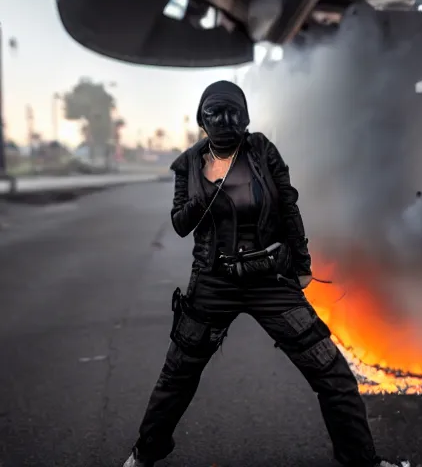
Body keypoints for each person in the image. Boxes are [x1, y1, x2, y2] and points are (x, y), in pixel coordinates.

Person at [123, 81, 407, 467]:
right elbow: (179, 224)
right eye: (214, 113)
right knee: (177, 375)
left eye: (232, 112)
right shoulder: (188, 164)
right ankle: (144, 455)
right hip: (213, 283)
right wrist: (203, 194)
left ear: (245, 116)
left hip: (268, 281)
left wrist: (302, 264)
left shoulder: (262, 151)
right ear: (201, 119)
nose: (224, 120)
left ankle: (363, 462)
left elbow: (288, 205)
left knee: (333, 375)